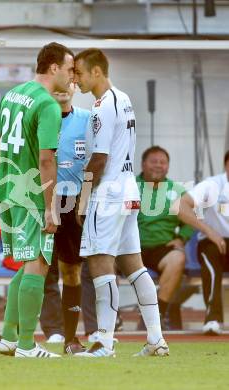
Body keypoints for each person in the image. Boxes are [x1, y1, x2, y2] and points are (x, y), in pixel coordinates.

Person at [74, 48, 169, 357]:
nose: (76, 78)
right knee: (134, 265)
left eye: (80, 73)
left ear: (97, 72)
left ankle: (103, 341)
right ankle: (156, 339)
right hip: (128, 192)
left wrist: (83, 199)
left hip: (109, 194)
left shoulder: (101, 108)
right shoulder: (124, 98)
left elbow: (99, 159)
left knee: (100, 263)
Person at [0, 42, 74, 358]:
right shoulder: (47, 105)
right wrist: (52, 207)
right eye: (69, 69)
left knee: (26, 266)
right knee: (38, 264)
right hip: (31, 196)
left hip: (8, 189)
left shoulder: (12, 94)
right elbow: (45, 161)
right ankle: (26, 344)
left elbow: (1, 145)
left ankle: (7, 337)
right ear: (54, 68)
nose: (71, 77)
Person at [40, 82, 90, 354]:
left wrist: (87, 195)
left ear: (74, 85)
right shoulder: (38, 115)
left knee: (73, 271)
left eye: (69, 82)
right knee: (40, 268)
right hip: (42, 200)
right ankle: (48, 331)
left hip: (74, 204)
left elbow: (98, 159)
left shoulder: (87, 120)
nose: (62, 89)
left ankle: (72, 337)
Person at [137, 146, 194, 328]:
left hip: (161, 249)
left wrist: (182, 238)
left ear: (168, 167)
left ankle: (156, 316)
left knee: (177, 258)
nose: (158, 166)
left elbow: (192, 221)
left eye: (163, 162)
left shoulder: (178, 191)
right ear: (143, 164)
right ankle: (111, 319)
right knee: (106, 260)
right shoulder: (129, 186)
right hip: (131, 249)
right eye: (154, 161)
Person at [173, 150, 229, 335]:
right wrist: (209, 231)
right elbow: (181, 206)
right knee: (210, 257)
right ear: (226, 165)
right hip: (213, 241)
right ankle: (213, 318)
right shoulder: (212, 185)